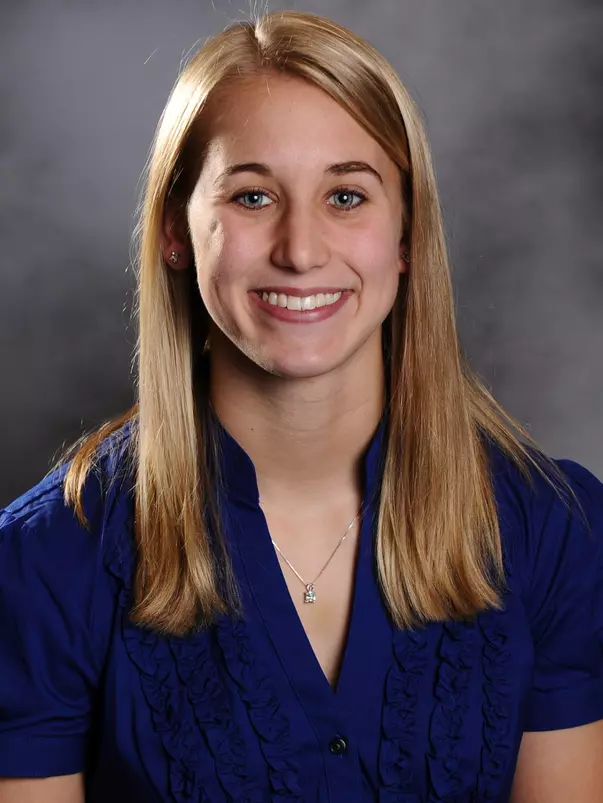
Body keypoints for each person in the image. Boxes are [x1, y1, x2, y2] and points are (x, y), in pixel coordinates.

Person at [0, 9, 602, 803]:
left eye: (346, 195)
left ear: (406, 234)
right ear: (177, 230)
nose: (301, 248)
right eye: (251, 197)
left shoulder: (551, 528)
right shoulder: (44, 561)